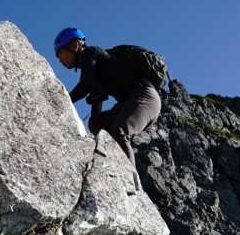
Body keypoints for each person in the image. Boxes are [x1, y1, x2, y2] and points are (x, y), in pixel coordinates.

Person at [53, 27, 166, 158]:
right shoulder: (95, 71)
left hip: (144, 96)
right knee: (96, 124)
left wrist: (63, 99)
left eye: (61, 53)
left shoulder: (89, 53)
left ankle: (128, 171)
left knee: (119, 131)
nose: (60, 60)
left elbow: (85, 85)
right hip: (132, 102)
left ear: (75, 45)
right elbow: (96, 110)